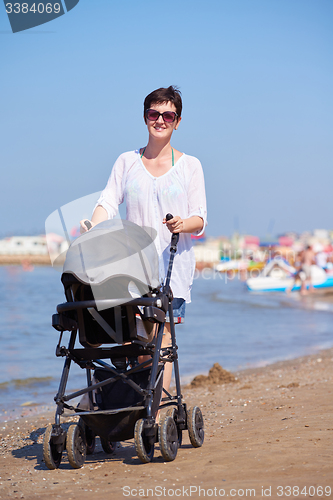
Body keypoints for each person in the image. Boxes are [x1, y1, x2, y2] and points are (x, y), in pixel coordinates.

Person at [80, 85, 207, 398]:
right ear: (145, 117)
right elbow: (108, 200)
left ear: (178, 121)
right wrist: (93, 225)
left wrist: (182, 223)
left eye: (168, 115)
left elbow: (200, 218)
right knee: (129, 341)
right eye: (154, 113)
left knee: (160, 341)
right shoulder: (127, 162)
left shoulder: (190, 165)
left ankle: (154, 413)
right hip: (130, 268)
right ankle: (131, 406)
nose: (160, 120)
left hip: (171, 270)